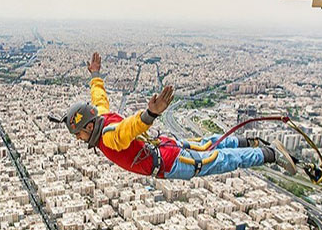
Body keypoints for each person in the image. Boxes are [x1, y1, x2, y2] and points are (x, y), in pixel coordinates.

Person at [59, 52, 297, 180]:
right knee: (208, 145)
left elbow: (128, 129)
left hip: (168, 163)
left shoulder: (107, 137)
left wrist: (150, 114)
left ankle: (270, 154)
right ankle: (249, 142)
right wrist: (95, 75)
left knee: (221, 161)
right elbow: (99, 96)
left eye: (78, 132)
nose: (78, 137)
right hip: (164, 147)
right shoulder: (102, 115)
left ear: (88, 127)